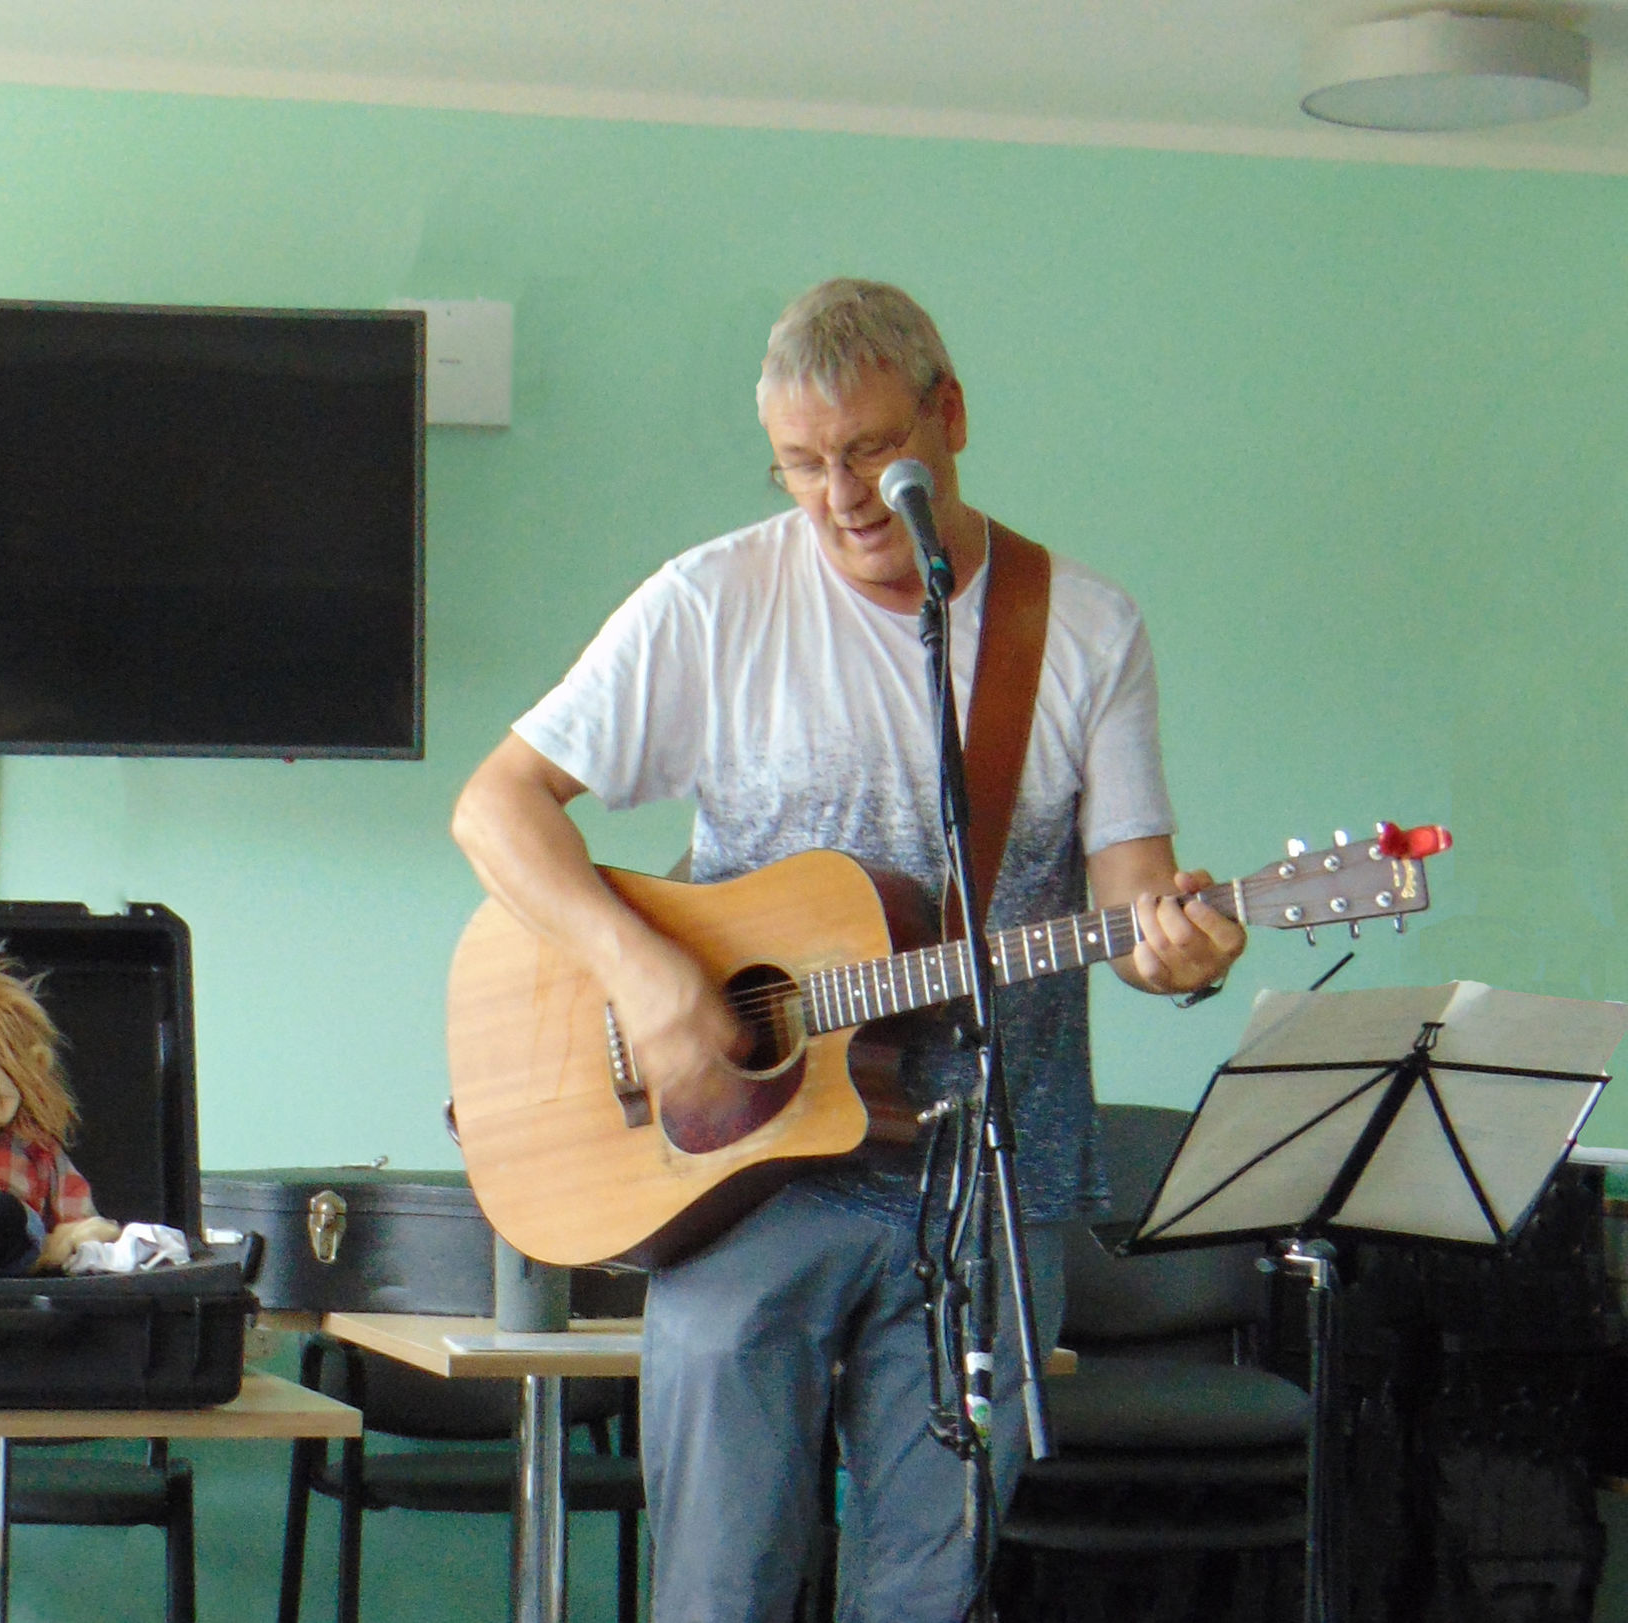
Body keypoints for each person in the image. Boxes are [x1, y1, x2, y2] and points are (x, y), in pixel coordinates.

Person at [450, 278, 1246, 1623]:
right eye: (804, 465)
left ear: (952, 416)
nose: (843, 498)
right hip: (741, 1169)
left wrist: (1183, 949)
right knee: (721, 1590)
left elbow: (1134, 902)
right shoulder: (713, 602)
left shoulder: (1084, 629)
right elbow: (497, 806)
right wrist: (649, 978)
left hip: (991, 1183)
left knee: (929, 1595)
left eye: (874, 453)